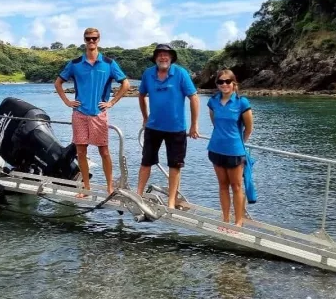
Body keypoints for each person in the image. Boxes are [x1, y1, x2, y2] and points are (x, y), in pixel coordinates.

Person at [54, 27, 130, 196]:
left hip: (98, 114)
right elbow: (58, 83)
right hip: (79, 113)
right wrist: (67, 101)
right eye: (88, 38)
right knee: (81, 151)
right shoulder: (75, 64)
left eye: (94, 38)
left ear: (99, 39)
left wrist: (111, 102)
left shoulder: (109, 63)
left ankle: (110, 187)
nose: (91, 41)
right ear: (84, 39)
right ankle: (86, 188)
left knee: (104, 151)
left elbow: (125, 84)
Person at [136, 44, 200, 209]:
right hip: (153, 127)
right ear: (155, 58)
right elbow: (141, 94)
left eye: (166, 55)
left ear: (171, 58)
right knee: (146, 162)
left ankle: (171, 201)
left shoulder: (180, 73)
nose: (163, 58)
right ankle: (138, 194)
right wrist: (145, 116)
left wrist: (194, 125)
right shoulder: (148, 74)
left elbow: (193, 97)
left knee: (174, 165)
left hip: (176, 129)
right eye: (160, 55)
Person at [206, 69, 253, 230]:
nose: (224, 84)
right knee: (223, 185)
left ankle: (238, 222)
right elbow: (215, 123)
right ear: (217, 84)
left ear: (234, 83)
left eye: (227, 81)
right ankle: (225, 219)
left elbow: (248, 129)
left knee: (237, 186)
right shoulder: (213, 101)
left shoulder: (242, 102)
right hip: (216, 148)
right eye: (220, 82)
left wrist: (238, 143)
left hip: (235, 151)